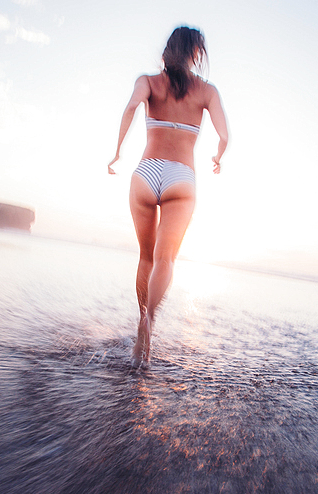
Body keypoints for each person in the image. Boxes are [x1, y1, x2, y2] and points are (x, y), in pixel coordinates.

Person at [108, 25, 229, 369]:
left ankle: (140, 327)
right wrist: (218, 157)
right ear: (194, 53)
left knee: (145, 258)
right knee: (166, 261)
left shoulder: (148, 82)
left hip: (145, 174)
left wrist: (117, 152)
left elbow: (131, 108)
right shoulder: (206, 91)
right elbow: (224, 135)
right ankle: (149, 321)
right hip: (181, 178)